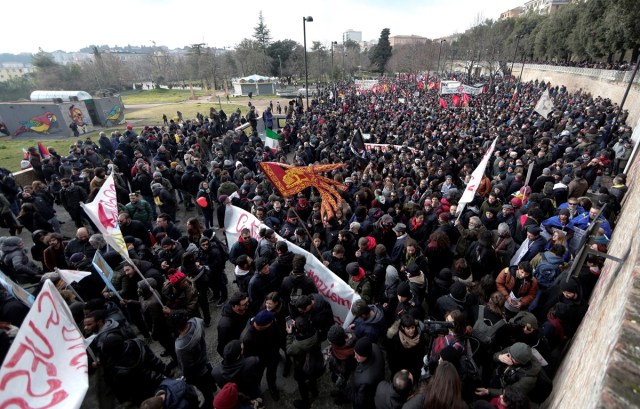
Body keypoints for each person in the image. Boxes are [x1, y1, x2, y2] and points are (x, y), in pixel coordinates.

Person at [169, 309, 217, 409]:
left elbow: (187, 367)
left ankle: (212, 403)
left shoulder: (181, 346)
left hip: (198, 372)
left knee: (206, 392)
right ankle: (214, 387)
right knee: (209, 375)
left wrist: (186, 377)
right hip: (204, 359)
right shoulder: (197, 322)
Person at [285, 315, 324, 409]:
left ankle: (305, 403)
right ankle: (314, 391)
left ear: (298, 331)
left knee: (301, 383)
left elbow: (289, 350)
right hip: (315, 360)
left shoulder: (298, 345)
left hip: (302, 366)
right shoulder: (314, 331)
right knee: (312, 378)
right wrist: (299, 325)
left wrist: (290, 334)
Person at [347, 337, 385, 409]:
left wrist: (344, 387)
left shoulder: (366, 381)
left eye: (358, 355)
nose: (355, 356)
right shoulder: (374, 347)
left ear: (366, 355)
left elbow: (359, 401)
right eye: (355, 352)